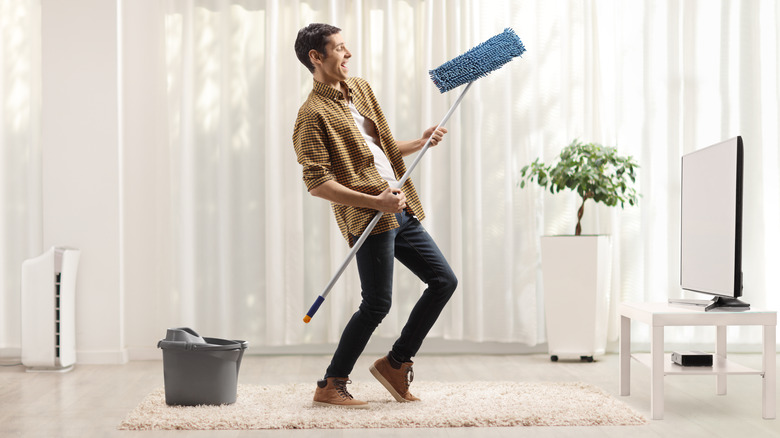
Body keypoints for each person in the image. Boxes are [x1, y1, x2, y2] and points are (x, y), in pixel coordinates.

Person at [292, 23, 458, 409]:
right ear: (316, 57)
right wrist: (376, 204)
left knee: (443, 280)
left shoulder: (360, 89)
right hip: (369, 217)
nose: (347, 55)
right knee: (377, 303)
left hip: (399, 204)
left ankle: (396, 364)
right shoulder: (310, 115)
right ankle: (331, 384)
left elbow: (379, 147)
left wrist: (420, 141)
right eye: (339, 48)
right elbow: (317, 183)